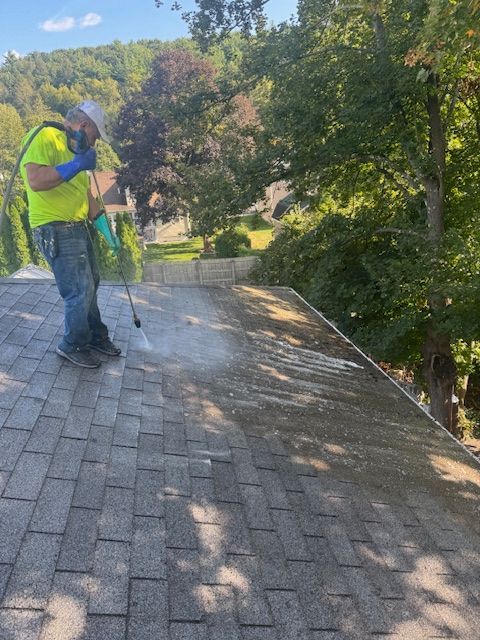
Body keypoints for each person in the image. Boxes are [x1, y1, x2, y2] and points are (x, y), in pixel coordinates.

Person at [20, 100, 121, 368]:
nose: (95, 143)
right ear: (84, 125)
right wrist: (76, 165)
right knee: (79, 288)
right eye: (95, 137)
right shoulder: (44, 135)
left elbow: (86, 196)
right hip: (54, 227)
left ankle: (95, 335)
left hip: (76, 227)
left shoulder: (77, 150)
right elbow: (36, 180)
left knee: (92, 282)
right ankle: (72, 344)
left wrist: (105, 230)